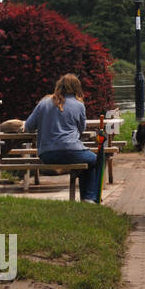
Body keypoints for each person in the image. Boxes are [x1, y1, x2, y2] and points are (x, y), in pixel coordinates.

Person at [24, 74, 102, 203]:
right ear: (77, 88)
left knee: (86, 162)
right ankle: (89, 197)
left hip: (47, 154)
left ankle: (88, 197)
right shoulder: (79, 105)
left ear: (59, 86)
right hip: (72, 151)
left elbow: (28, 126)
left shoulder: (44, 103)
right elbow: (81, 128)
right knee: (96, 160)